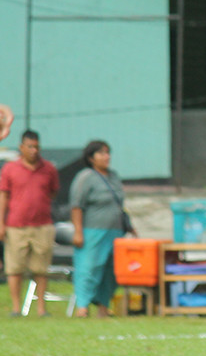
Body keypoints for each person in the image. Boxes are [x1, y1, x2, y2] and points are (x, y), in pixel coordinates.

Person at [69, 140, 134, 318]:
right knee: (89, 267)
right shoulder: (85, 177)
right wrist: (78, 231)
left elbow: (119, 204)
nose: (107, 157)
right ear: (91, 158)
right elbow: (76, 206)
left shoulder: (113, 176)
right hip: (92, 231)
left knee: (111, 270)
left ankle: (103, 306)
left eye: (108, 153)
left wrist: (130, 226)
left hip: (115, 231)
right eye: (102, 153)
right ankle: (82, 306)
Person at [0, 130, 60, 317]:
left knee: (40, 269)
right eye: (30, 146)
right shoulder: (10, 169)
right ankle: (16, 308)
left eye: (37, 147)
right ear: (21, 147)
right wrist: (1, 223)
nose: (34, 150)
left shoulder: (48, 168)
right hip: (16, 225)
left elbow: (52, 192)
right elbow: (3, 196)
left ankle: (42, 308)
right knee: (15, 268)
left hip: (42, 225)